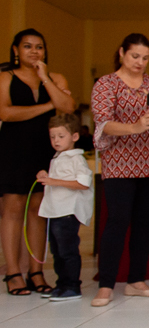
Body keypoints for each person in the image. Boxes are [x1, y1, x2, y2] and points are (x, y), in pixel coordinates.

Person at [90, 33, 149, 307]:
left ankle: (136, 280)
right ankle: (106, 285)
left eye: (145, 58)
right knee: (117, 221)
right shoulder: (106, 84)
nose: (140, 62)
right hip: (119, 163)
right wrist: (135, 127)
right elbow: (103, 124)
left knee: (145, 222)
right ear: (122, 53)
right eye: (135, 56)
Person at [0, 28, 75, 296]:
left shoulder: (54, 77)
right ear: (15, 50)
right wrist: (48, 105)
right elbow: (5, 113)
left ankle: (36, 271)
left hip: (45, 150)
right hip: (13, 149)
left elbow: (67, 107)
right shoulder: (5, 77)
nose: (34, 51)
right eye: (27, 46)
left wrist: (45, 79)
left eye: (39, 47)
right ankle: (13, 273)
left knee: (38, 210)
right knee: (12, 209)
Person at [35, 114, 93, 301]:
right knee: (57, 251)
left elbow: (83, 183)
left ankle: (72, 286)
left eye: (61, 136)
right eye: (52, 137)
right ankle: (62, 284)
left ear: (74, 137)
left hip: (67, 212)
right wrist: (45, 175)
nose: (56, 141)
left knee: (68, 251)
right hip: (55, 211)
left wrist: (54, 181)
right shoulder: (57, 157)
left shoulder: (77, 159)